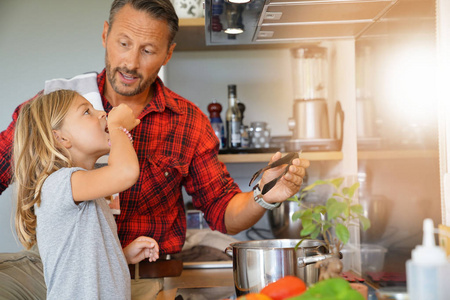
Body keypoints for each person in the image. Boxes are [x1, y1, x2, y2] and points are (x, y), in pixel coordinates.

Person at [0, 0, 310, 298]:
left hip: (141, 275)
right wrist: (119, 126)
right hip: (64, 278)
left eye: (148, 50)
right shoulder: (56, 107)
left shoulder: (188, 122)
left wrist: (264, 197)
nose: (131, 63)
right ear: (105, 34)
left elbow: (222, 209)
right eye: (123, 43)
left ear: (168, 54)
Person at [12, 89, 159, 299]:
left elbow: (83, 263)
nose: (102, 113)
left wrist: (121, 256)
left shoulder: (87, 190)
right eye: (87, 112)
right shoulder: (59, 184)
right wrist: (118, 128)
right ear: (61, 137)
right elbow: (125, 173)